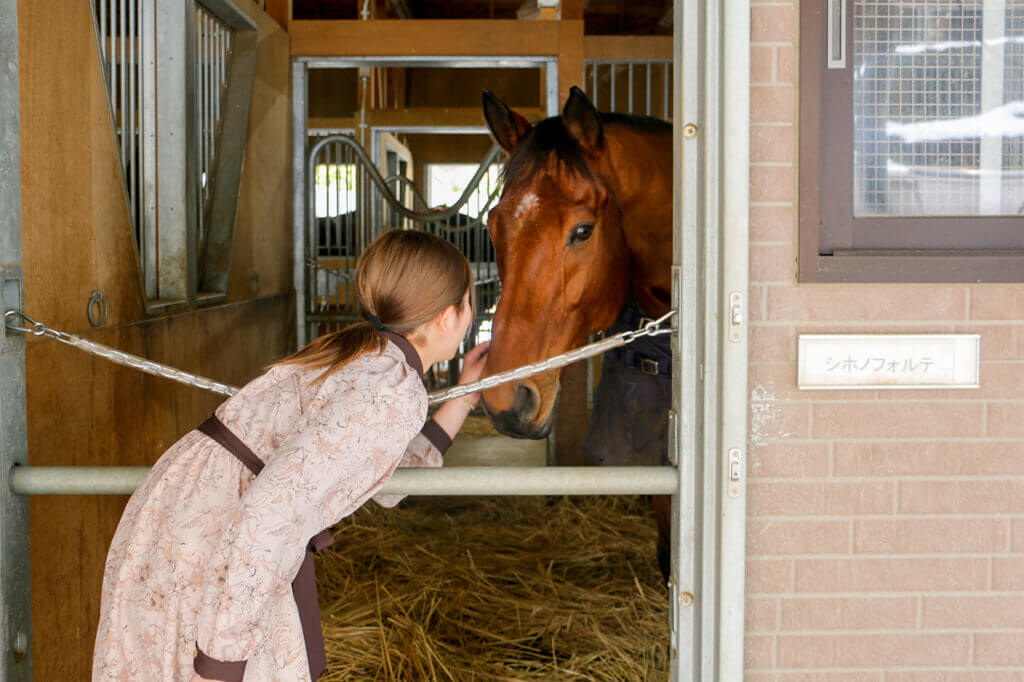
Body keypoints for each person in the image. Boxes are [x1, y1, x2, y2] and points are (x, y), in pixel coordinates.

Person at [92, 229, 491, 682]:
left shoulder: (364, 355)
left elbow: (373, 478)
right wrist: (224, 660)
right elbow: (269, 511)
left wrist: (463, 399)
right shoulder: (394, 389)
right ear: (447, 317)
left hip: (194, 512)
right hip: (222, 535)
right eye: (470, 305)